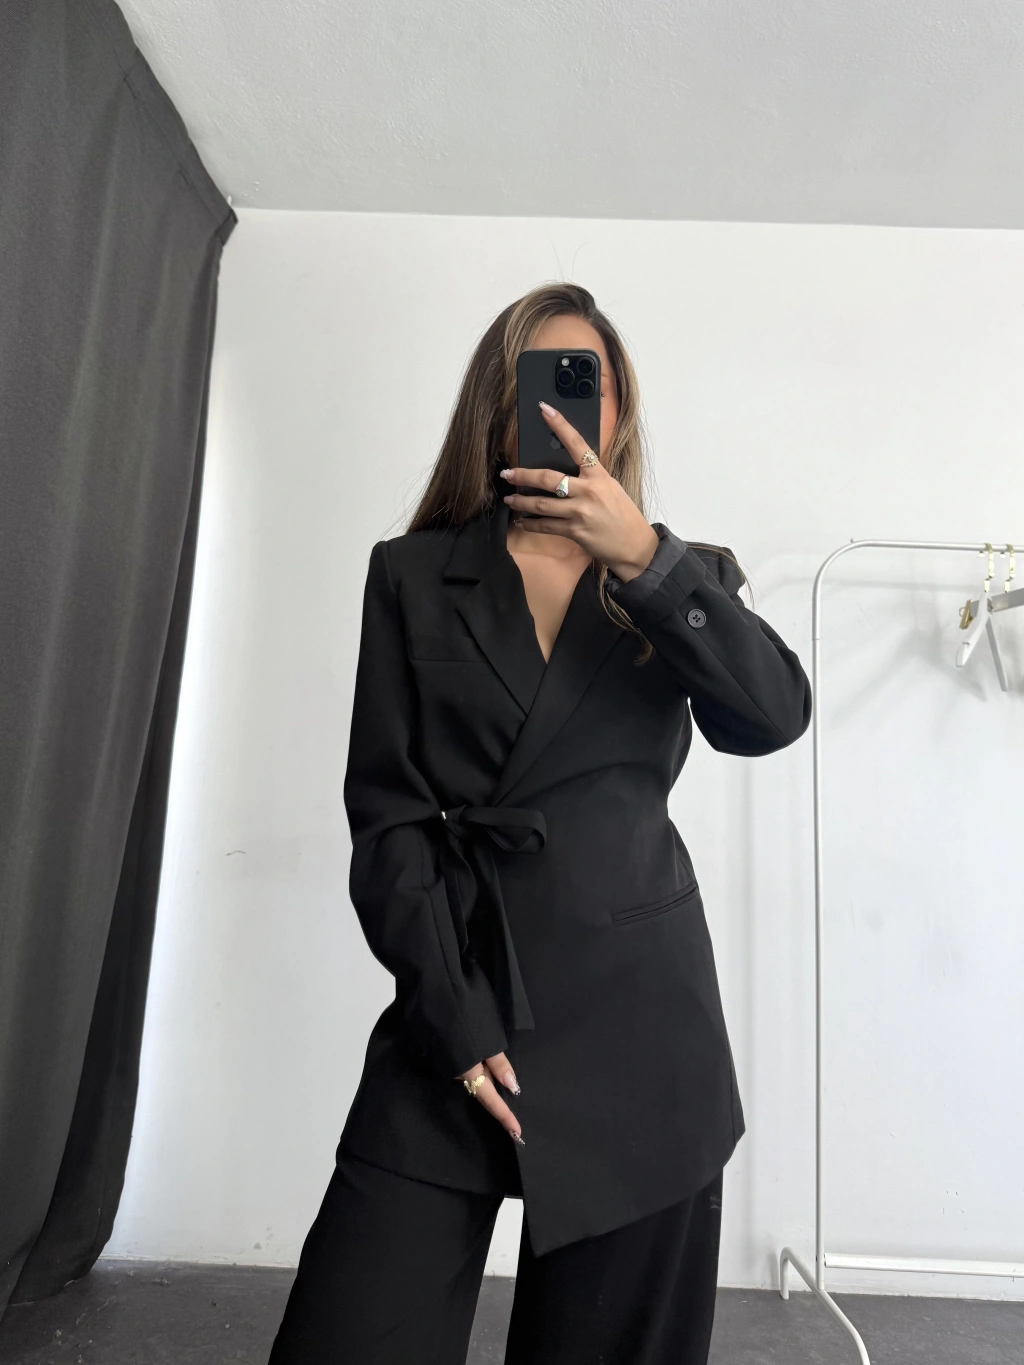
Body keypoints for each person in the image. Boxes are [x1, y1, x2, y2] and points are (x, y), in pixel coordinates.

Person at [268, 282, 812, 1364]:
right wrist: (452, 1015)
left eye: (590, 383)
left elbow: (772, 716)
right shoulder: (413, 574)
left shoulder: (683, 575)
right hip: (458, 996)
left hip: (640, 1029)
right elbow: (389, 821)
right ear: (500, 400)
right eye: (545, 379)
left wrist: (644, 558)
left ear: (620, 411)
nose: (569, 405)